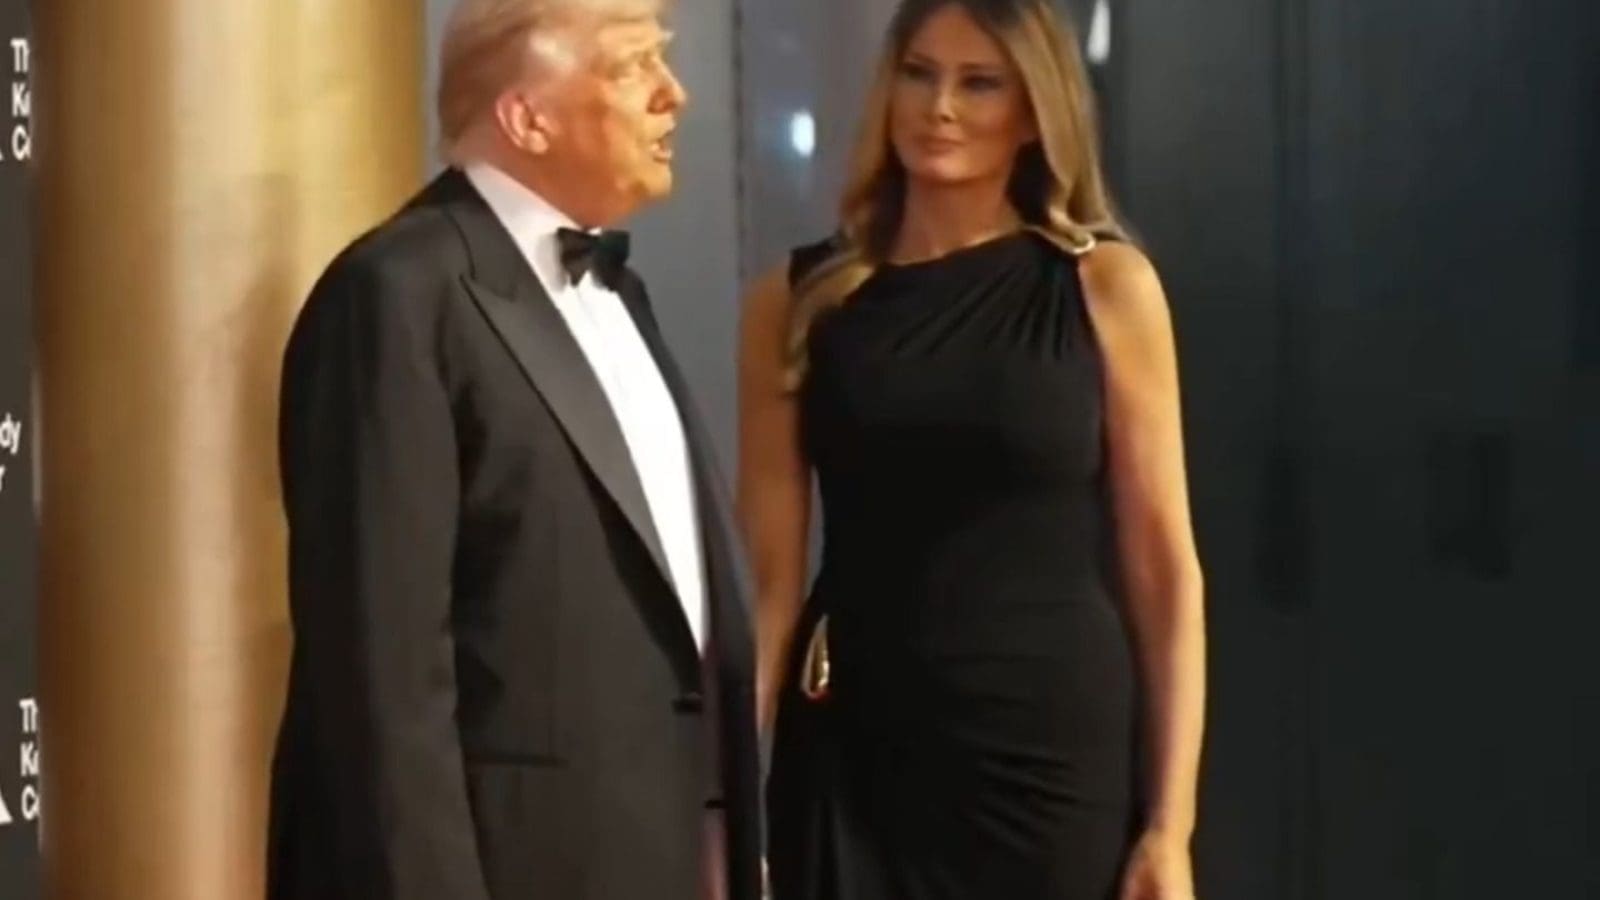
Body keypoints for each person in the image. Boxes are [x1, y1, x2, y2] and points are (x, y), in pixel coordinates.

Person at [266, 1, 761, 898]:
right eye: (632, 66)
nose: (673, 95)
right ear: (527, 117)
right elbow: (384, 679)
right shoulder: (397, 294)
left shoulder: (622, 296)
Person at [738, 1, 1206, 898]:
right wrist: (721, 799)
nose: (939, 106)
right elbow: (768, 584)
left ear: (1033, 112)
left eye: (978, 83)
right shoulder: (798, 305)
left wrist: (1169, 827)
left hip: (1048, 754)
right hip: (855, 747)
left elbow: (1165, 571)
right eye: (919, 74)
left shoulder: (1104, 289)